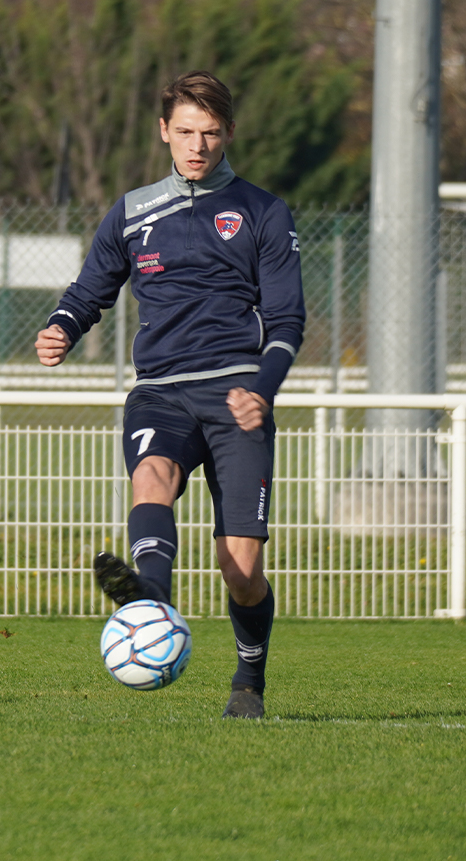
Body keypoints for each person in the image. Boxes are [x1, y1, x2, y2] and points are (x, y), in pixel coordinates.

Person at [35, 71, 305, 719]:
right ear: (164, 131)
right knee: (151, 476)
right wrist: (62, 327)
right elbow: (91, 288)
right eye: (185, 132)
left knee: (240, 570)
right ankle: (149, 597)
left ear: (229, 133)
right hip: (160, 391)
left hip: (237, 392)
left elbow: (289, 320)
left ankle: (248, 681)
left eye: (211, 133)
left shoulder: (264, 211)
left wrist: (263, 390)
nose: (198, 146)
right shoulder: (132, 211)